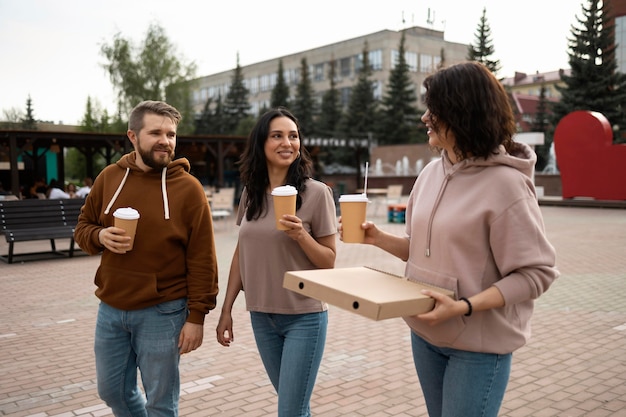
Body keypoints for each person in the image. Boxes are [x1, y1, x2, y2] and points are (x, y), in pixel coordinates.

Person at [340, 62, 559, 417]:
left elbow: (535, 274)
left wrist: (464, 306)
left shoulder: (508, 186)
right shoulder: (429, 174)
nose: (426, 117)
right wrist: (377, 238)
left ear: (462, 113)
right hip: (425, 335)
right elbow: (425, 251)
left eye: (435, 109)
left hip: (477, 346)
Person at [74, 100, 219, 417]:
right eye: (156, 132)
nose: (165, 141)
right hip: (111, 307)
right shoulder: (110, 177)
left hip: (164, 310)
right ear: (133, 136)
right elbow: (83, 228)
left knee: (161, 402)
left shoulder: (188, 189)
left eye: (171, 134)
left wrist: (197, 317)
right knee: (112, 391)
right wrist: (100, 236)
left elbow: (203, 259)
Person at [216, 107, 337, 417]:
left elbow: (328, 261)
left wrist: (301, 235)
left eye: (293, 136)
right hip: (261, 316)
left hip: (304, 316)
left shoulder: (316, 193)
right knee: (294, 407)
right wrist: (226, 309)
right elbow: (242, 253)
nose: (288, 142)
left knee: (290, 411)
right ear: (261, 144)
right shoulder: (251, 194)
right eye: (277, 135)